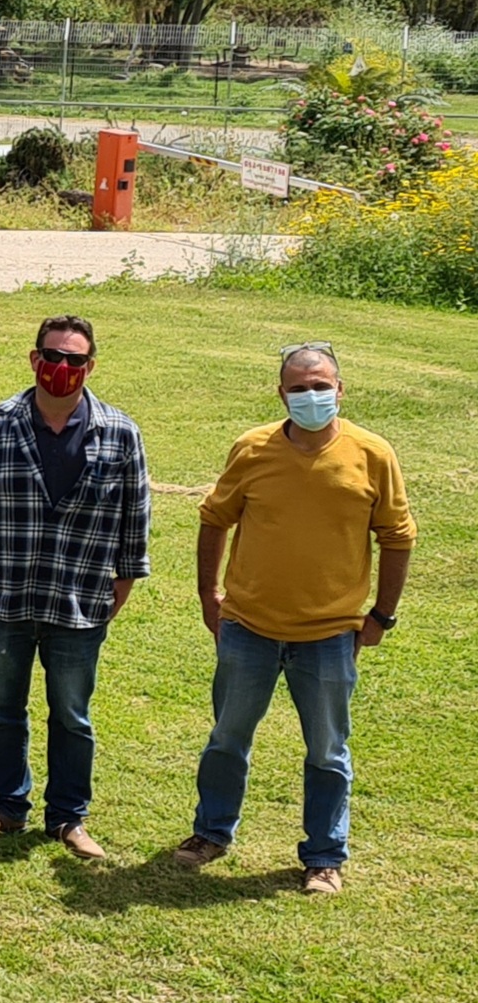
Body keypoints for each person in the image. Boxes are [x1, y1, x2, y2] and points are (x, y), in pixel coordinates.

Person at [173, 344, 416, 895]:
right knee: (227, 739)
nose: (312, 395)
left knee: (328, 750)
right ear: (282, 394)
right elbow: (215, 519)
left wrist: (382, 615)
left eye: (321, 385)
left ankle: (324, 857)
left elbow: (398, 537)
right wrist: (209, 594)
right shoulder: (253, 449)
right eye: (300, 388)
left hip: (329, 635)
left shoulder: (372, 454)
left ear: (340, 389)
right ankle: (210, 833)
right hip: (248, 627)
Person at [0, 315, 151, 859]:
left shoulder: (121, 433)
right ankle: (8, 807)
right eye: (53, 356)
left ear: (91, 366)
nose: (62, 368)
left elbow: (136, 515)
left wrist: (126, 577)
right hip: (6, 594)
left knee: (72, 715)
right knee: (3, 709)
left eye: (75, 360)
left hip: (79, 599)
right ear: (34, 358)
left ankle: (68, 817)